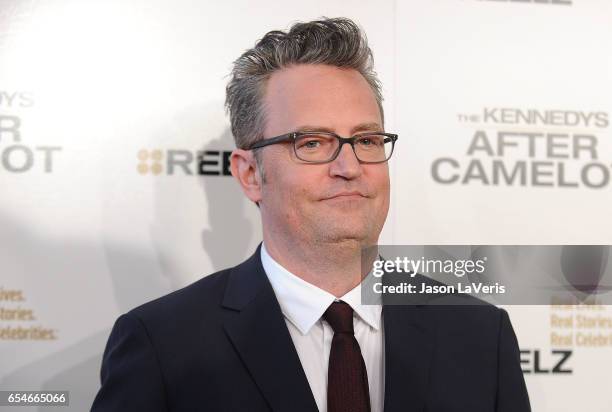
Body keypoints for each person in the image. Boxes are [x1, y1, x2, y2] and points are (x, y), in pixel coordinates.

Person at [91, 17, 530, 412]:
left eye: (368, 140)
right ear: (249, 174)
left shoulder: (478, 336)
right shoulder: (163, 345)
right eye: (313, 143)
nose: (350, 166)